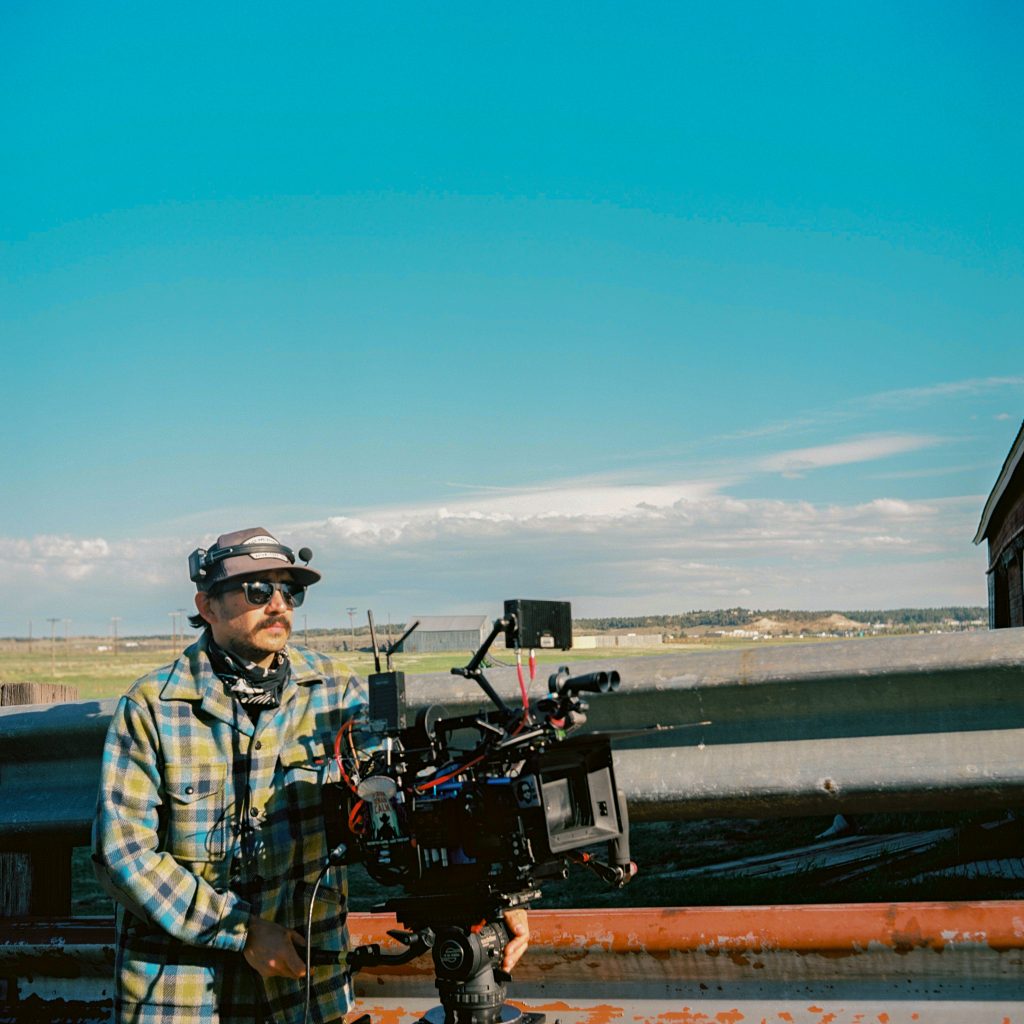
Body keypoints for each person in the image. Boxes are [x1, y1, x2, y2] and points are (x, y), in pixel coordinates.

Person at [91, 527, 529, 1024]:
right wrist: (241, 931)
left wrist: (487, 893)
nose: (278, 604)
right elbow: (122, 854)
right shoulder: (153, 708)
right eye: (258, 590)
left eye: (289, 591)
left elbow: (405, 801)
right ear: (207, 605)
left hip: (305, 990)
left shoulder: (335, 693)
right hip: (181, 993)